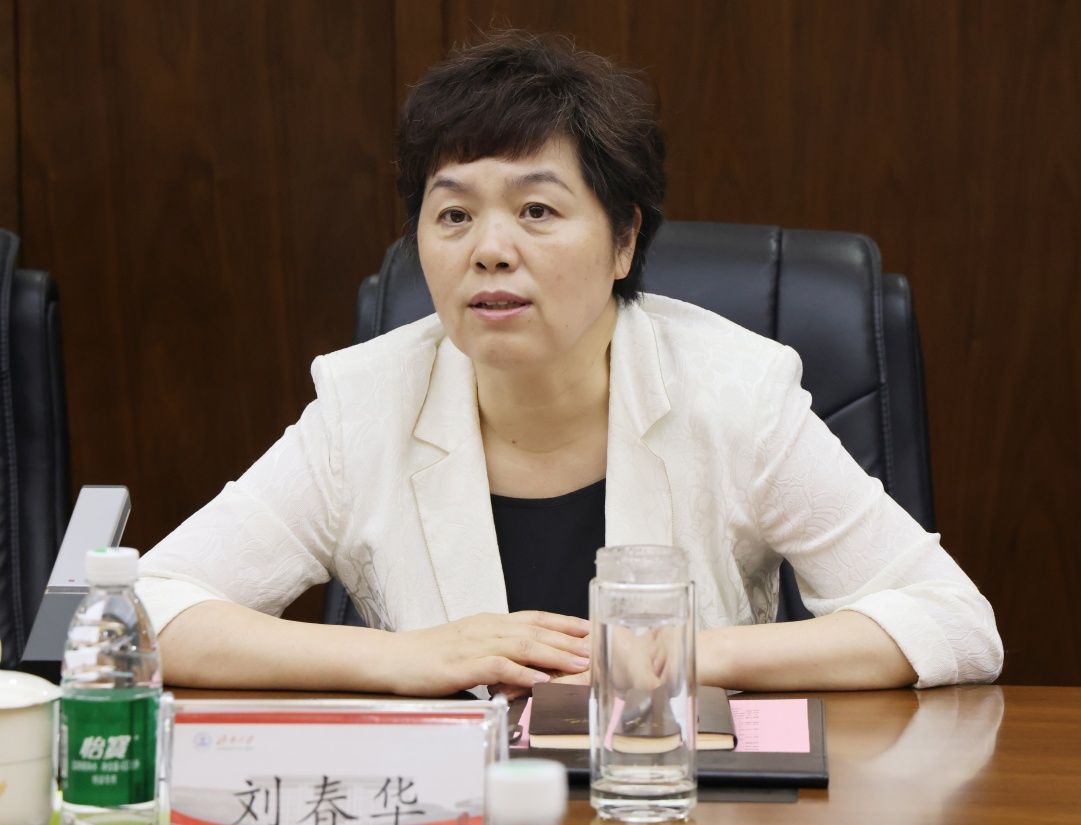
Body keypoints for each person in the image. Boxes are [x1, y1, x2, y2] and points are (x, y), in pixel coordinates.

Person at [136, 31, 1003, 696]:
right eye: (453, 215)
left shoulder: (736, 392)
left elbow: (954, 621)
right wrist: (404, 658)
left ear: (624, 241)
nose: (490, 249)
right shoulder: (366, 404)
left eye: (538, 211)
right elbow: (142, 611)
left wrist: (684, 655)